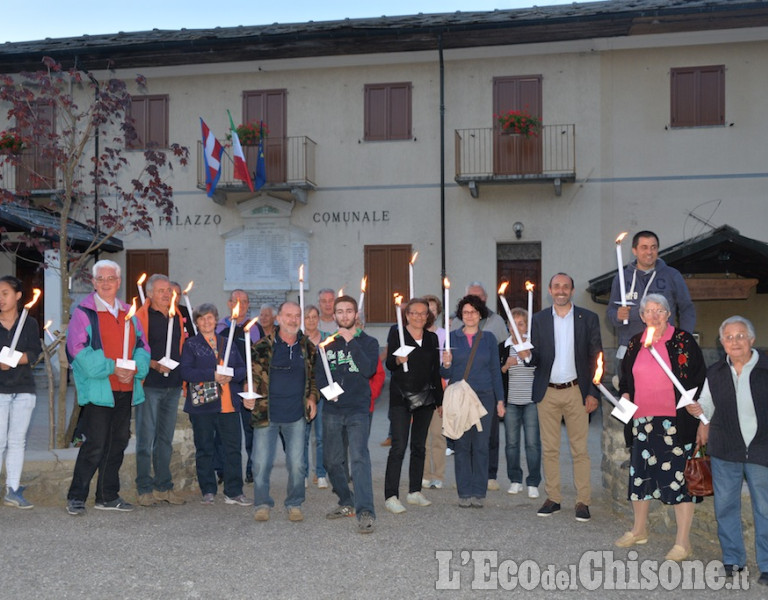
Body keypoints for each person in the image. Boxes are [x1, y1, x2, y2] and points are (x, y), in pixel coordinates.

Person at [616, 293, 705, 561]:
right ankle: (639, 529)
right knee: (640, 478)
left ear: (668, 314)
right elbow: (625, 378)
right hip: (642, 422)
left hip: (675, 423)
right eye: (648, 312)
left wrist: (700, 411)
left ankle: (682, 542)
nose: (653, 316)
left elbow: (699, 377)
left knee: (680, 483)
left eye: (659, 311)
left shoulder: (682, 341)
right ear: (641, 317)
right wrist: (625, 395)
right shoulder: (635, 344)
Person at [66, 260, 150, 516]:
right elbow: (77, 350)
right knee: (95, 444)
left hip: (126, 389)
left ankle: (107, 495)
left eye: (110, 278)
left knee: (118, 443)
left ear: (118, 282)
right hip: (99, 390)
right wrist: (114, 368)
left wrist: (134, 368)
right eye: (100, 278)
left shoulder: (129, 312)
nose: (105, 283)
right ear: (93, 282)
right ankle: (76, 496)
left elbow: (143, 347)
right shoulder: (83, 312)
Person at [689, 316, 768, 582]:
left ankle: (767, 564)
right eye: (729, 337)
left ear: (752, 340)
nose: (735, 341)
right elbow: (707, 406)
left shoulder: (766, 368)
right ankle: (733, 561)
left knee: (765, 509)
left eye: (740, 335)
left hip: (761, 449)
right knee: (725, 507)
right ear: (722, 342)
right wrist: (698, 410)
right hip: (726, 449)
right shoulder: (715, 372)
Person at [527, 273, 601, 522]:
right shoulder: (538, 320)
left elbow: (596, 356)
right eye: (556, 286)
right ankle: (554, 498)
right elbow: (536, 358)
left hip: (576, 391)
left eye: (565, 287)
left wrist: (592, 392)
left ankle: (583, 501)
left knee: (580, 449)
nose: (561, 290)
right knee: (549, 449)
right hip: (547, 391)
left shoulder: (588, 318)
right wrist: (527, 355)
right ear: (549, 290)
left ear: (572, 290)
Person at [245, 301, 318, 522]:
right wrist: (247, 392)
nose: (293, 319)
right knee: (260, 463)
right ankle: (262, 504)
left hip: (295, 414)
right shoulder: (261, 347)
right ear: (278, 318)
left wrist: (313, 398)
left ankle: (294, 503)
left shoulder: (308, 348)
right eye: (288, 315)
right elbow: (251, 378)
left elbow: (315, 379)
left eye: (297, 315)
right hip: (266, 413)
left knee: (297, 464)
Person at [316, 295, 379, 534]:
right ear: (334, 316)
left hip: (357, 410)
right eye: (339, 312)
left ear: (356, 315)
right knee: (331, 460)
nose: (344, 315)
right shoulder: (325, 345)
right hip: (332, 409)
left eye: (349, 311)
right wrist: (325, 392)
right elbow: (320, 376)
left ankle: (365, 511)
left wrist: (351, 341)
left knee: (359, 458)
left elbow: (368, 369)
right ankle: (346, 500)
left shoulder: (369, 342)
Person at [180, 302, 249, 506]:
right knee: (205, 447)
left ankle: (234, 491)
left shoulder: (227, 343)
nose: (206, 322)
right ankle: (208, 489)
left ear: (216, 320)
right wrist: (212, 375)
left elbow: (242, 369)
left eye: (210, 317)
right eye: (202, 319)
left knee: (233, 448)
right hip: (203, 404)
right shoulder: (191, 345)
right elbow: (186, 372)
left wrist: (231, 376)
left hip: (228, 403)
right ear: (197, 323)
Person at [441, 294, 505, 508]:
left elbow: (496, 371)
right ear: (461, 315)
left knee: (480, 446)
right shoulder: (451, 338)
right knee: (461, 446)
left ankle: (479, 493)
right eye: (466, 312)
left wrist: (500, 400)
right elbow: (442, 371)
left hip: (484, 398)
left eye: (474, 312)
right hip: (460, 399)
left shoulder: (488, 339)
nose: (469, 316)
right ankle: (464, 493)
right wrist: (447, 364)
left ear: (480, 315)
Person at [384, 298, 443, 514]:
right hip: (401, 396)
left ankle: (415, 491)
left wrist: (440, 400)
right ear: (407, 315)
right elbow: (389, 363)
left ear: (428, 316)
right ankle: (391, 495)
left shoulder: (431, 338)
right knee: (399, 446)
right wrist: (398, 361)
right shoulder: (397, 332)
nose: (419, 317)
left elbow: (435, 370)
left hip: (425, 397)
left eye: (423, 313)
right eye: (414, 313)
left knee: (419, 446)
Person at [134, 274, 186, 506]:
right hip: (151, 385)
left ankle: (163, 486)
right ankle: (144, 488)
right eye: (161, 290)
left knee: (165, 439)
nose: (167, 294)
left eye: (169, 290)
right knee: (146, 440)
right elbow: (134, 349)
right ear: (150, 294)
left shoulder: (177, 317)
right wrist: (154, 364)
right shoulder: (141, 317)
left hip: (173, 385)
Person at [607, 230, 696, 360]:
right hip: (630, 345)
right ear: (634, 251)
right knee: (630, 380)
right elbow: (610, 311)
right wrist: (617, 316)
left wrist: (683, 338)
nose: (649, 252)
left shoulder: (672, 275)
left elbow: (687, 308)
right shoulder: (621, 278)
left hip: (664, 344)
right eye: (644, 247)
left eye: (653, 247)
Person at [0, 276, 42, 509]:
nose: (0, 298)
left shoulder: (29, 323)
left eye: (5, 293)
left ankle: (12, 489)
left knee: (17, 441)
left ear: (17, 296)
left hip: (24, 389)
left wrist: (13, 359)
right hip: (0, 390)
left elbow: (34, 354)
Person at [216, 289, 263, 483]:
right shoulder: (220, 328)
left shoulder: (254, 328)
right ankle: (222, 471)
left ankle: (252, 469)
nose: (240, 305)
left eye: (244, 302)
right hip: (225, 387)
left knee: (251, 430)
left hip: (246, 386)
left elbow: (259, 357)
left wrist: (250, 381)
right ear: (229, 304)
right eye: (236, 301)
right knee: (223, 431)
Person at [499, 307, 540, 498]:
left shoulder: (534, 345)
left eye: (521, 324)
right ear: (508, 326)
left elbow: (543, 367)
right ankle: (515, 479)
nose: (517, 327)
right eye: (513, 324)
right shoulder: (503, 347)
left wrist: (528, 356)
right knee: (511, 444)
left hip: (531, 401)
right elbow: (497, 374)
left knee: (532, 443)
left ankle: (533, 481)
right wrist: (506, 366)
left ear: (527, 326)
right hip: (511, 402)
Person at [422, 294, 447, 489]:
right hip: (420, 389)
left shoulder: (445, 335)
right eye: (426, 309)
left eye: (433, 309)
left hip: (440, 386)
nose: (429, 313)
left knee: (438, 434)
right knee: (422, 435)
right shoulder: (414, 334)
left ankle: (438, 474)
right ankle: (424, 473)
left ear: (438, 312)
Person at [303, 304, 328, 489]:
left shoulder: (327, 339)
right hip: (303, 394)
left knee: (320, 437)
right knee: (302, 436)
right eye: (307, 317)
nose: (311, 320)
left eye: (314, 317)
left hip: (322, 394)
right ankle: (302, 473)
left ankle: (320, 473)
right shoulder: (298, 340)